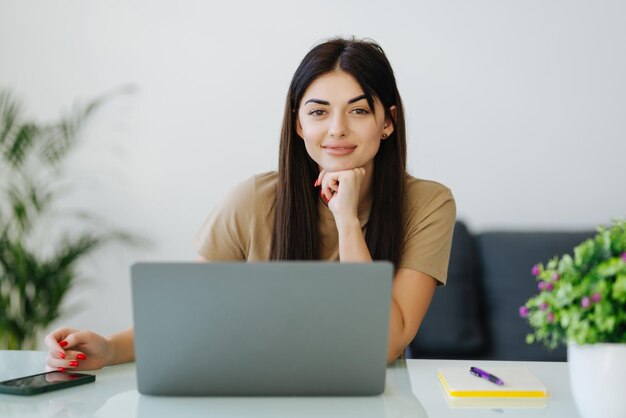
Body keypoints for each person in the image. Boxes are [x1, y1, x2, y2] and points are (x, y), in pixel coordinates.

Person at [44, 36, 456, 371]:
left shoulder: (428, 203)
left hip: (376, 400)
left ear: (388, 122)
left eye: (359, 110)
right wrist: (111, 348)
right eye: (318, 112)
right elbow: (192, 311)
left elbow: (382, 344)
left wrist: (346, 219)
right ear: (298, 124)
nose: (337, 130)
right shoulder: (255, 200)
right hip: (263, 394)